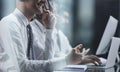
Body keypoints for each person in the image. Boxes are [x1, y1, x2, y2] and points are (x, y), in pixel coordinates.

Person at [0, 0, 101, 72]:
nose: (45, 1)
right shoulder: (10, 23)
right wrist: (67, 60)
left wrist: (49, 30)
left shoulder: (27, 26)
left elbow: (46, 62)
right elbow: (23, 68)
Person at [30, 0, 101, 66]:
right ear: (45, 8)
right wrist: (49, 30)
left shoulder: (55, 32)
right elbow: (46, 63)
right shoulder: (32, 30)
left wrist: (79, 58)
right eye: (54, 6)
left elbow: (67, 55)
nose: (56, 13)